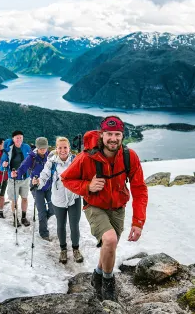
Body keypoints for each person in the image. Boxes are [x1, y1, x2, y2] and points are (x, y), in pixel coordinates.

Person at [61, 116, 148, 301]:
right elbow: (66, 179)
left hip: (118, 207)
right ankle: (108, 282)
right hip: (94, 205)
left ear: (122, 136)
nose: (113, 138)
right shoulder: (86, 157)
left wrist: (138, 221)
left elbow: (139, 188)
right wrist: (87, 187)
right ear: (102, 135)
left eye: (117, 134)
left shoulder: (128, 156)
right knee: (109, 240)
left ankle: (97, 274)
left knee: (110, 245)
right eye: (109, 134)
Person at [35, 137, 84, 264]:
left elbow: (84, 175)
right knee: (61, 225)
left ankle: (75, 249)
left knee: (74, 225)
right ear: (56, 148)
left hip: (74, 198)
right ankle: (63, 249)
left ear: (69, 148)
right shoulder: (51, 162)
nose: (63, 150)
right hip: (58, 199)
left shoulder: (76, 160)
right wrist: (38, 182)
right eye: (60, 147)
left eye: (65, 147)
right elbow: (44, 176)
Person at [18, 137, 54, 240]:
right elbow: (23, 167)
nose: (43, 150)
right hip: (36, 187)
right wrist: (17, 174)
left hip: (48, 186)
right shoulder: (32, 157)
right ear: (37, 147)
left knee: (53, 208)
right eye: (41, 148)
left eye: (45, 148)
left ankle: (43, 220)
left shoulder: (50, 156)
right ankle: (44, 234)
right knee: (42, 211)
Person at [0, 130, 31, 227]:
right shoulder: (8, 149)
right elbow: (2, 167)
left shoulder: (26, 147)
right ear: (13, 139)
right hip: (13, 179)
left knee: (25, 198)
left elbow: (31, 160)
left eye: (21, 137)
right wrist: (4, 165)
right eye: (17, 138)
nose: (19, 139)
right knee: (14, 200)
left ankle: (23, 217)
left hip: (25, 178)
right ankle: (15, 219)